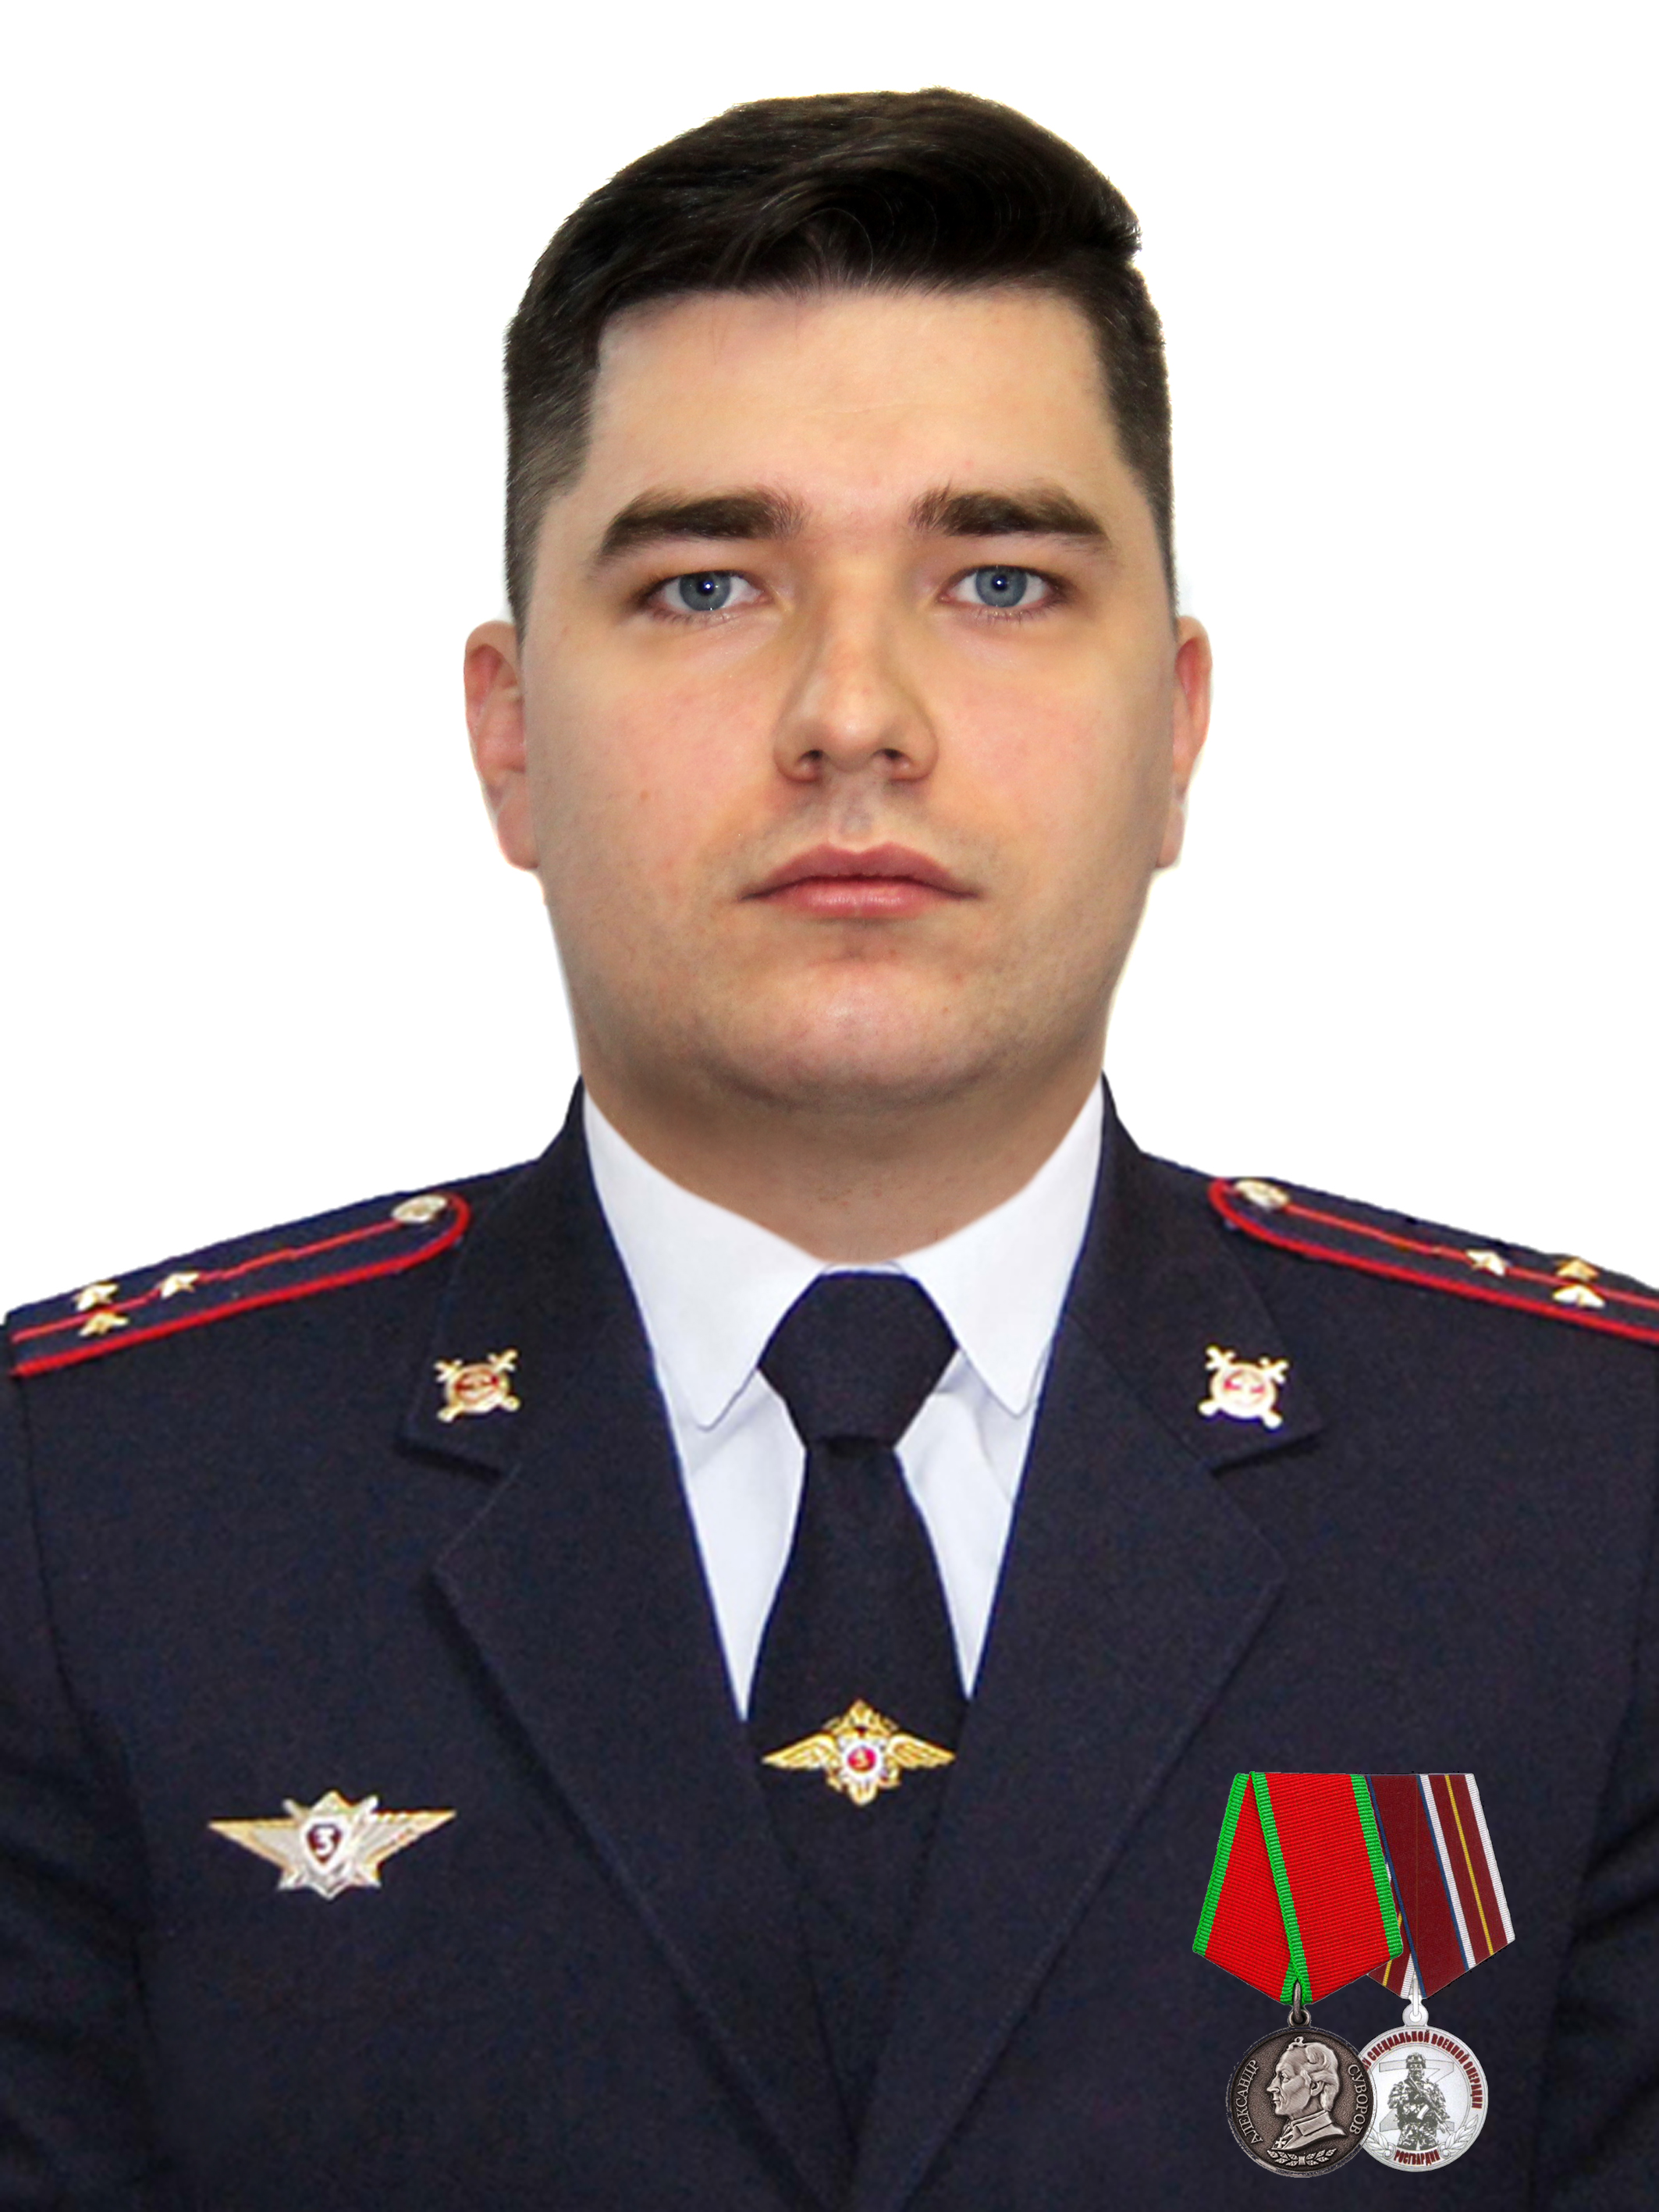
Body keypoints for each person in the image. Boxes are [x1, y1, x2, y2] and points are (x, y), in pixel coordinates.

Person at [2, 87, 1655, 2212]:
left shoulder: (1586, 1497)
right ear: (509, 735)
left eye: (998, 578)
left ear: (1176, 727)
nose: (853, 711)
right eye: (707, 584)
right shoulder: (88, 1518)